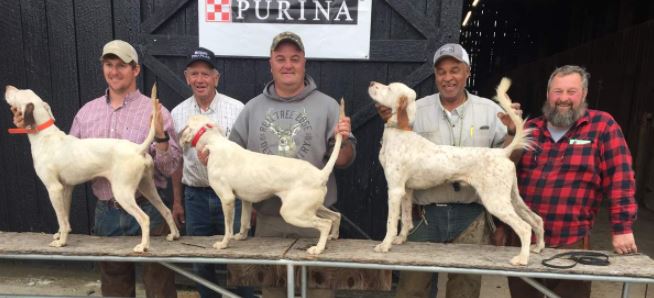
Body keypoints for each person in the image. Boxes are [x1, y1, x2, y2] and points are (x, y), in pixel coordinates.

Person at [377, 43, 518, 298]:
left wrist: (511, 132)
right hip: (427, 217)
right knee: (411, 291)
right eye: (441, 72)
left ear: (467, 72)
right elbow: (399, 157)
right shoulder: (415, 109)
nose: (448, 77)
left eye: (455, 70)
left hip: (471, 218)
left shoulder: (491, 111)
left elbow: (508, 159)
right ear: (435, 76)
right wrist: (390, 119)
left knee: (464, 292)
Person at [226, 31, 356, 298]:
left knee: (320, 294)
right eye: (281, 58)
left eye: (294, 59)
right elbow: (232, 156)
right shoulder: (252, 108)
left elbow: (343, 161)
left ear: (304, 62)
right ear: (270, 63)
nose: (288, 65)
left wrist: (342, 139)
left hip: (313, 221)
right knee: (273, 293)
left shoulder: (328, 106)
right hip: (269, 224)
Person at [505, 65, 638, 298]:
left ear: (584, 94)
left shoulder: (602, 126)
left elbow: (621, 178)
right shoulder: (530, 128)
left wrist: (622, 228)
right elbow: (502, 172)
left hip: (571, 240)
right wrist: (511, 131)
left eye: (571, 92)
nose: (563, 98)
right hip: (524, 240)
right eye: (557, 92)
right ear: (548, 95)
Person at [71, 40, 181, 297]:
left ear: (136, 70)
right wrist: (34, 125)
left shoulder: (156, 112)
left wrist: (161, 136)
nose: (114, 71)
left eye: (121, 65)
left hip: (148, 210)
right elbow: (70, 159)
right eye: (109, 65)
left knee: (160, 288)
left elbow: (170, 166)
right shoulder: (86, 113)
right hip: (107, 214)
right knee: (114, 289)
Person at [170, 47, 253, 298]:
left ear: (216, 77)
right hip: (195, 197)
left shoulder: (236, 109)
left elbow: (249, 159)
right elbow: (177, 162)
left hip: (233, 195)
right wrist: (177, 200)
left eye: (205, 74)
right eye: (194, 73)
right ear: (187, 77)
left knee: (240, 261)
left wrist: (252, 204)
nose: (199, 79)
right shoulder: (177, 113)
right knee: (201, 262)